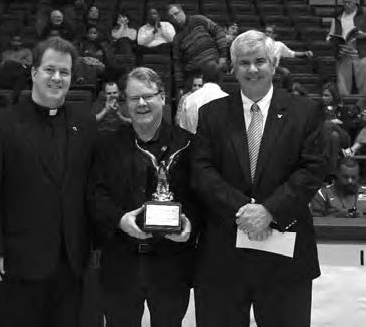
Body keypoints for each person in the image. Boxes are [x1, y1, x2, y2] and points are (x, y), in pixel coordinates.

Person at [192, 30, 326, 327]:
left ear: (274, 64)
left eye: (260, 61)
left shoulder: (305, 111)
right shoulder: (211, 114)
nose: (252, 69)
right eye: (243, 63)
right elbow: (202, 172)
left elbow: (312, 170)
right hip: (224, 258)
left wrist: (269, 211)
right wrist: (245, 210)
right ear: (233, 68)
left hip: (285, 258)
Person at [0, 36, 97, 327]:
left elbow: (91, 189)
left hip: (71, 262)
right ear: (33, 73)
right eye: (50, 70)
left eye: (64, 72)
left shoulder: (86, 123)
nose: (57, 78)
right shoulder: (1, 122)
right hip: (18, 262)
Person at [90, 67, 198, 327]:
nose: (141, 104)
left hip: (172, 262)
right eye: (133, 98)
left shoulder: (189, 145)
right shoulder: (107, 145)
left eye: (148, 96)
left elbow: (200, 197)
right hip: (120, 260)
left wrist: (190, 225)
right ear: (124, 103)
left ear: (162, 97)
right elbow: (95, 194)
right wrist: (119, 219)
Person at [167, 4, 228, 95]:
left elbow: (218, 31)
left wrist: (223, 56)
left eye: (176, 13)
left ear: (182, 11)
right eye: (172, 17)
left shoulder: (198, 19)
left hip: (212, 67)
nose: (175, 18)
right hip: (193, 74)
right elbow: (178, 64)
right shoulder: (177, 39)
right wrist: (180, 86)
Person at [327, 0, 366, 97]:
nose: (346, 5)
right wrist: (335, 42)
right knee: (343, 89)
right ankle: (345, 109)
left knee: (364, 86)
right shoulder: (338, 15)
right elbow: (330, 35)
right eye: (344, 2)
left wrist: (363, 35)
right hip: (343, 53)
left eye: (349, 2)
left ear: (356, 1)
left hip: (361, 53)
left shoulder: (364, 13)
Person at [177, 63, 228, 134]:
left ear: (203, 78)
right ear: (220, 79)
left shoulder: (189, 99)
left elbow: (182, 131)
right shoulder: (229, 101)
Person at [265, 24, 313, 90]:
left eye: (269, 32)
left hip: (274, 68)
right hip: (262, 67)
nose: (267, 34)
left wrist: (305, 53)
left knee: (286, 72)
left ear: (275, 35)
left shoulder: (279, 45)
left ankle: (288, 92)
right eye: (266, 32)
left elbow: (291, 53)